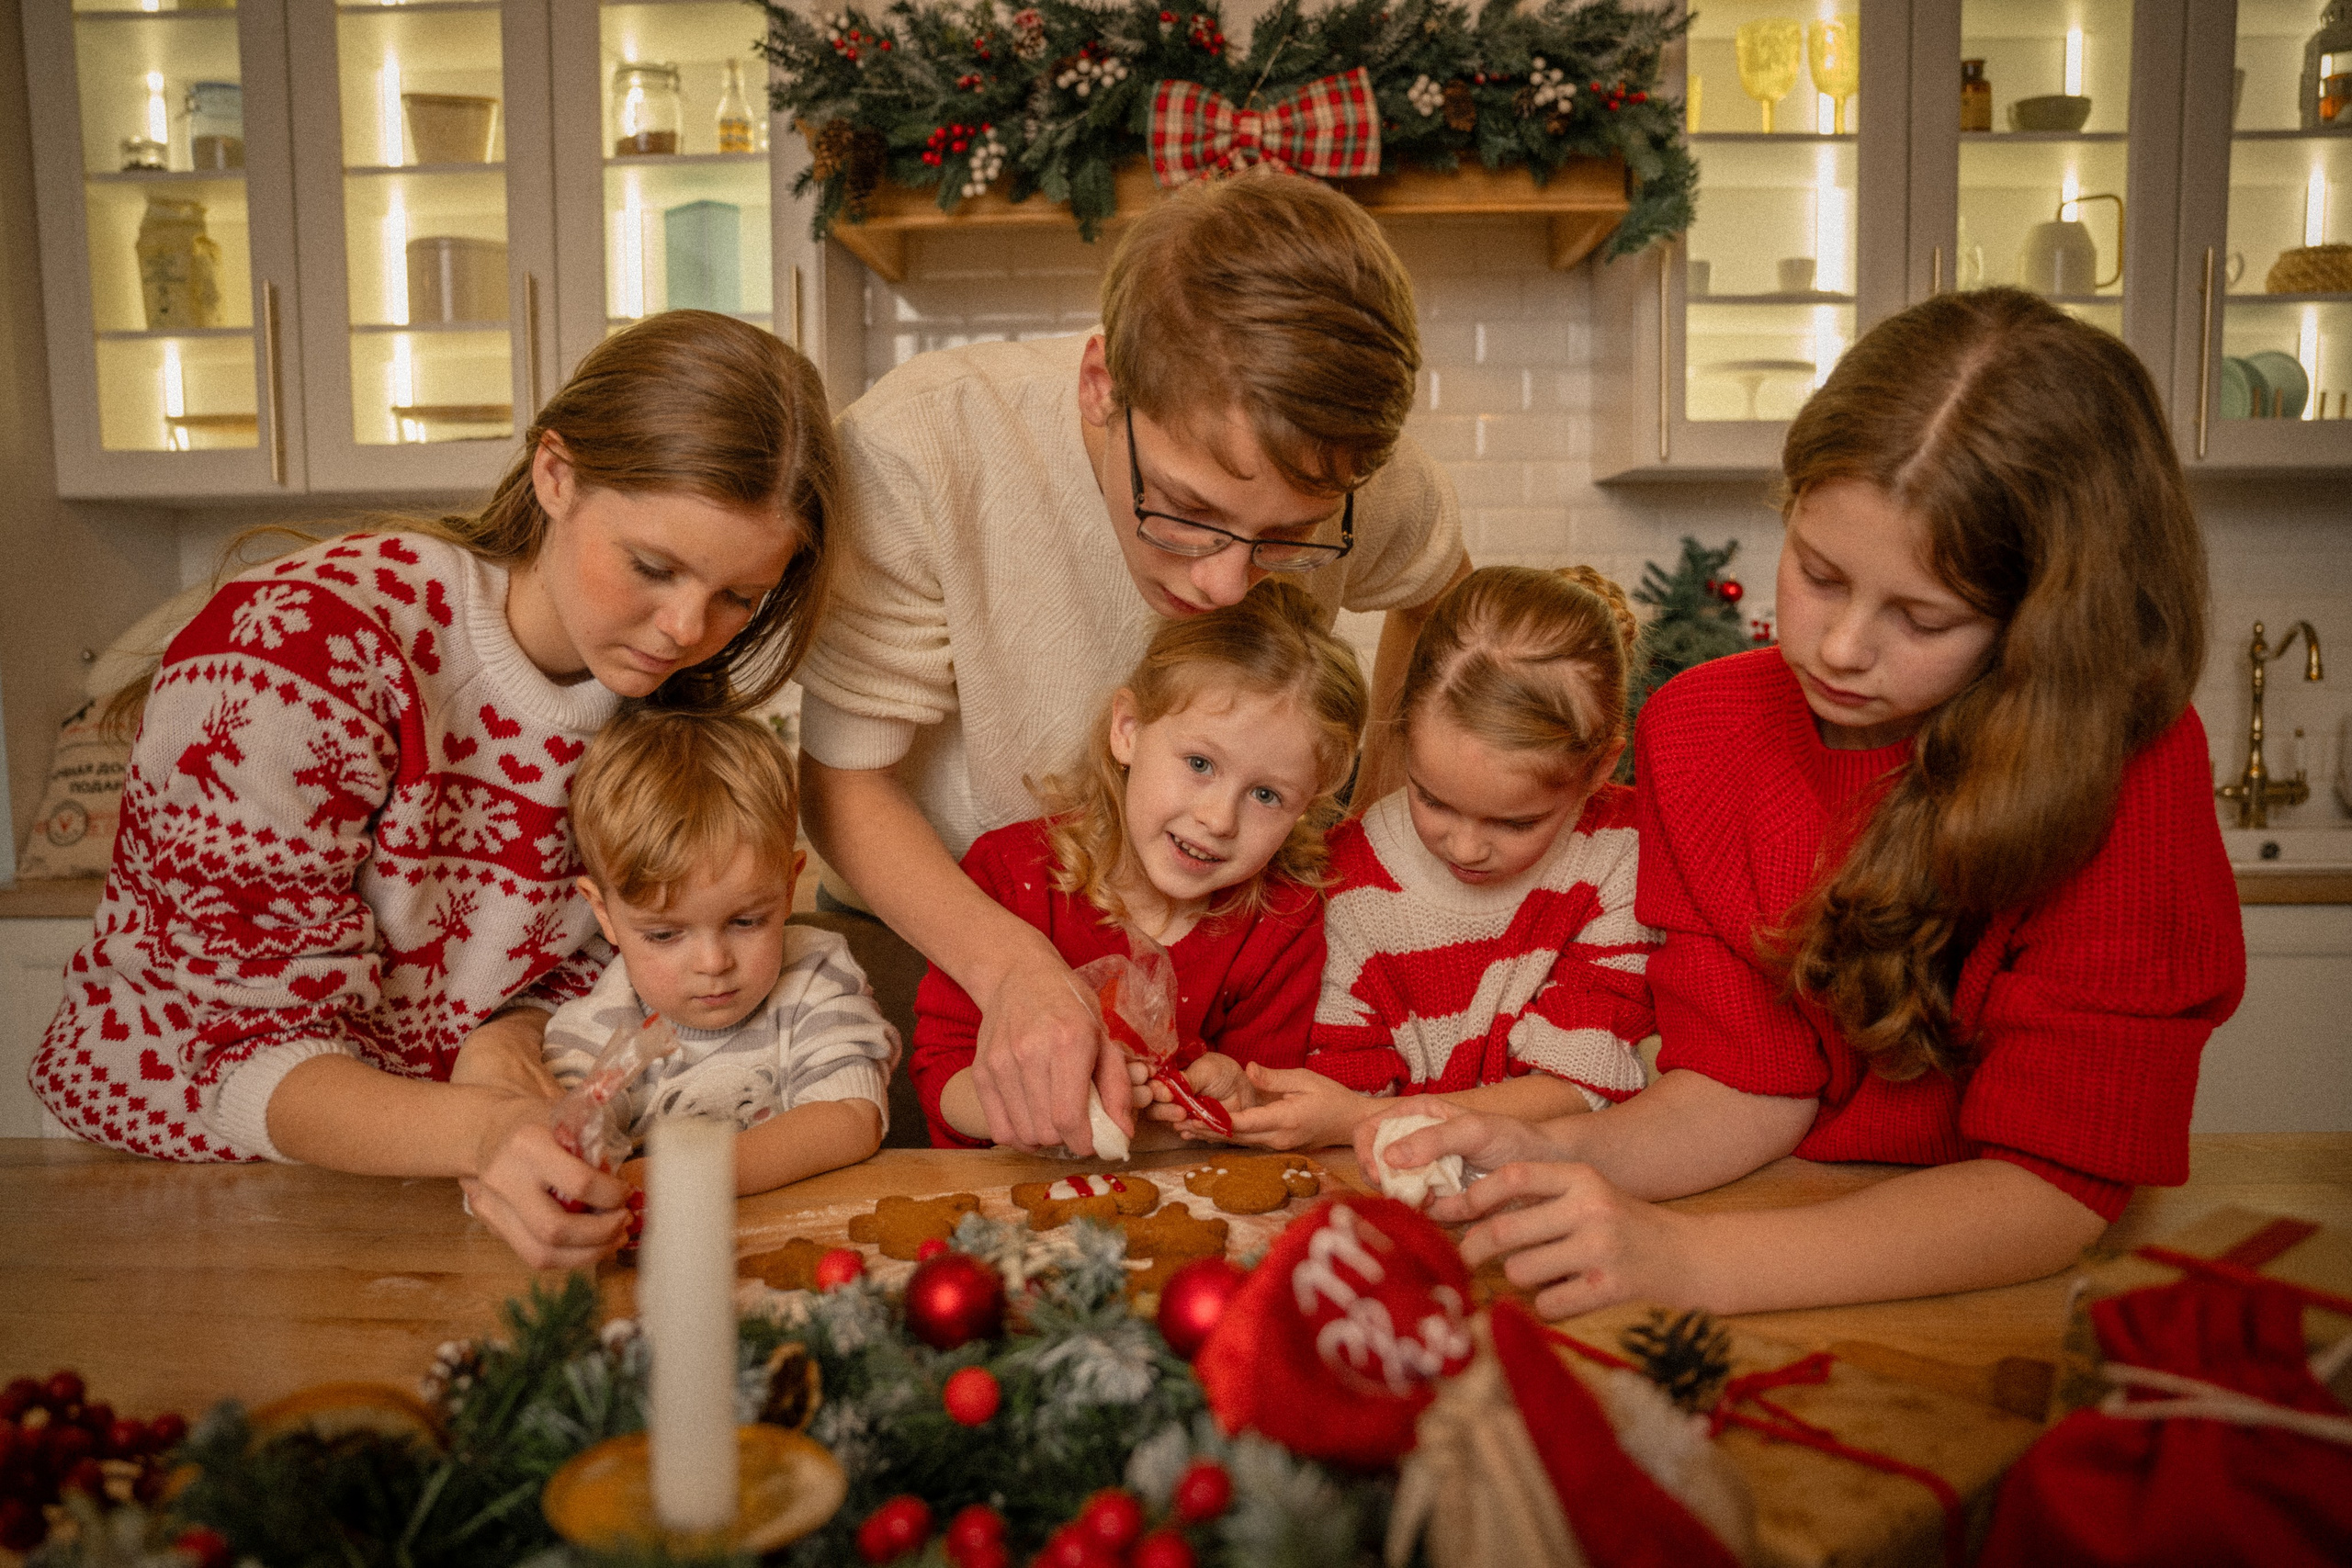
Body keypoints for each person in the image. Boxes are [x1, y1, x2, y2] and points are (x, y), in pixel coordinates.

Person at [1367, 288, 2244, 1317]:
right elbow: (1749, 1085)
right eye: (1819, 574)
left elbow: (2054, 1192)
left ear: (2043, 623)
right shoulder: (1697, 728)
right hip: (1803, 1226)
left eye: (1921, 617)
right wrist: (1548, 1150)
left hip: (1998, 1279)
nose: (1838, 648)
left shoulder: (2129, 773)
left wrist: (1690, 1264)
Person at [29, 310, 836, 1270]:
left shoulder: (657, 708)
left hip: (446, 1183)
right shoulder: (298, 651)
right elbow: (236, 1052)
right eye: (652, 567)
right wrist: (480, 1129)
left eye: (738, 597)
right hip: (173, 1191)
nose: (683, 629)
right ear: (555, 475)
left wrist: (505, 1037)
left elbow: (579, 955)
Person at [795, 170, 1471, 1159]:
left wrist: (1365, 819)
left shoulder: (1362, 471)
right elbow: (841, 784)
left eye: (1286, 537)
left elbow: (1438, 595)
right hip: (935, 939)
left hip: (1224, 958)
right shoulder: (917, 451)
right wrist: (1014, 968)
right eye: (1188, 514)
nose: (1229, 584)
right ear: (1101, 386)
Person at [910, 581, 1366, 1148]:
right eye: (1200, 763)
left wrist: (1237, 1098)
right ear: (1127, 730)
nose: (1219, 818)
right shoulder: (1009, 874)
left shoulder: (1281, 920)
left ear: (1307, 809)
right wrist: (1048, 1110)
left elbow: (1268, 1096)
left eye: (1267, 796)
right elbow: (941, 1077)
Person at [1227, 566, 1659, 1151]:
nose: (1466, 848)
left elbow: (1579, 1084)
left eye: (1516, 821)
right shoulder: (1344, 879)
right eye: (1432, 799)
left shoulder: (1620, 853)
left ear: (1600, 769)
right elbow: (1347, 1081)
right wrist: (1357, 1114)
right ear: (1403, 734)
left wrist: (1359, 1119)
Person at [540, 708, 893, 1193]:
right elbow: (562, 1142)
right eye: (664, 935)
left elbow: (851, 1120)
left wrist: (664, 1181)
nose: (713, 964)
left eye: (746, 921)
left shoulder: (817, 976)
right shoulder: (598, 1027)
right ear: (604, 914)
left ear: (788, 888)